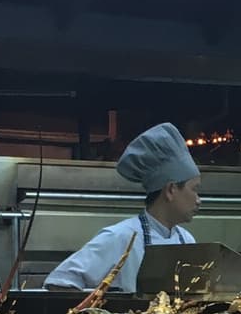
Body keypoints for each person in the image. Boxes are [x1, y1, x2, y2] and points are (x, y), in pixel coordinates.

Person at [44, 123, 201, 292]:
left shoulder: (187, 240)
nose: (199, 200)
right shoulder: (121, 237)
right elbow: (59, 282)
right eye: (194, 189)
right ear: (171, 190)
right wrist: (103, 313)